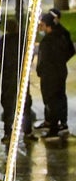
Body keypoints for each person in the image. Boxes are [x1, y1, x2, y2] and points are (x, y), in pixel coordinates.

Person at [36, 11, 74, 141]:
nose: (41, 28)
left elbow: (44, 60)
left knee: (51, 100)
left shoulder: (48, 41)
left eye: (42, 25)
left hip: (50, 75)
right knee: (59, 98)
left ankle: (54, 128)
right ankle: (59, 124)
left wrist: (40, 70)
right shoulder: (60, 37)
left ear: (48, 25)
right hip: (59, 72)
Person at [0, 17, 25, 144]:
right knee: (25, 101)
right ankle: (27, 130)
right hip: (21, 74)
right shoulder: (22, 39)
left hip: (8, 76)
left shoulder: (3, 40)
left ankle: (8, 132)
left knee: (8, 103)